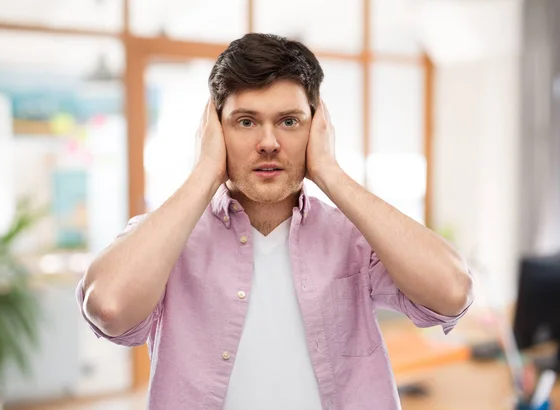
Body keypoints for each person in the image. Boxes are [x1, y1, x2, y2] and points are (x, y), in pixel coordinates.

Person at [76, 33, 474, 410]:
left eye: (289, 121)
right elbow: (109, 307)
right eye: (246, 122)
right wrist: (204, 173)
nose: (268, 142)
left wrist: (330, 172)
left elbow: (452, 291)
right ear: (215, 131)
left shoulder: (351, 237)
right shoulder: (167, 239)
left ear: (317, 129)